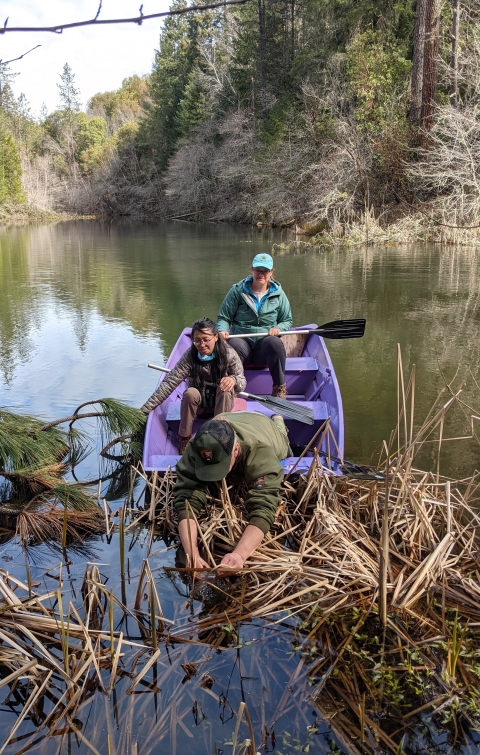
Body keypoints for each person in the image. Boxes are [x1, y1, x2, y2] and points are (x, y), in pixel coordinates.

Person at [173, 411, 290, 570]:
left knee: (284, 443)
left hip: (265, 429)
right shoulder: (198, 444)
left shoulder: (259, 450)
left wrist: (239, 555)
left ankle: (278, 420)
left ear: (235, 450)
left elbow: (264, 506)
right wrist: (192, 553)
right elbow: (186, 497)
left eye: (219, 466)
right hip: (227, 417)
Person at [140, 318, 246, 452]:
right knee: (190, 393)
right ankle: (185, 438)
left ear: (216, 338)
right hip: (199, 406)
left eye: (206, 339)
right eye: (197, 340)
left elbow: (242, 382)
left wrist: (233, 380)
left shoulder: (229, 354)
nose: (202, 344)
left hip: (221, 404)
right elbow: (169, 383)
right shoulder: (190, 355)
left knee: (224, 389)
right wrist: (144, 410)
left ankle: (219, 437)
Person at [217, 253, 293, 399]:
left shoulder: (279, 294)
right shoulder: (237, 291)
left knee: (275, 342)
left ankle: (279, 388)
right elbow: (224, 317)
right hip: (242, 342)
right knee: (235, 345)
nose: (261, 274)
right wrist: (222, 329)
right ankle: (232, 388)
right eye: (258, 270)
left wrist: (279, 329)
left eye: (265, 271)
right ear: (251, 270)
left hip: (264, 347)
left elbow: (287, 320)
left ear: (271, 273)